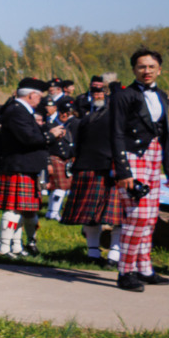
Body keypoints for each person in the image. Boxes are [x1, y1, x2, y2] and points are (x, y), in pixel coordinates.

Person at [110, 49, 169, 290]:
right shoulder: (123, 95)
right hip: (131, 157)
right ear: (134, 70)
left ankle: (144, 268)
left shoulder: (160, 94)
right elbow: (115, 133)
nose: (146, 71)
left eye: (151, 66)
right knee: (136, 217)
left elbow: (166, 133)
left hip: (154, 156)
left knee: (150, 219)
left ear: (159, 69)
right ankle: (126, 271)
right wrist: (123, 171)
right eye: (141, 67)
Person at [0, 78, 64, 256]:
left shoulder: (20, 110)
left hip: (26, 166)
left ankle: (18, 246)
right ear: (31, 95)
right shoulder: (17, 111)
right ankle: (4, 248)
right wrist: (51, 135)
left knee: (26, 211)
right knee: (14, 209)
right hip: (18, 165)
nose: (41, 101)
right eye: (39, 97)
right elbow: (28, 139)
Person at [63, 82, 127, 267]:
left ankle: (93, 253)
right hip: (112, 169)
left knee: (91, 215)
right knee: (120, 217)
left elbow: (76, 145)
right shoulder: (122, 118)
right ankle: (113, 256)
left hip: (87, 168)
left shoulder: (87, 118)